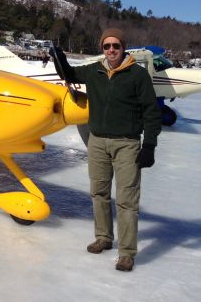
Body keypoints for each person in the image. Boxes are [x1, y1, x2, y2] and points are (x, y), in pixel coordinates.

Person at [50, 28, 161, 272]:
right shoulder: (94, 70)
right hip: (97, 141)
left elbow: (152, 113)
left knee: (127, 200)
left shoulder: (138, 75)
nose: (111, 50)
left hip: (127, 144)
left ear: (124, 47)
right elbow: (68, 74)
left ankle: (127, 253)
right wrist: (59, 57)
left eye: (116, 46)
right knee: (98, 193)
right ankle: (104, 238)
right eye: (106, 46)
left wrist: (150, 144)